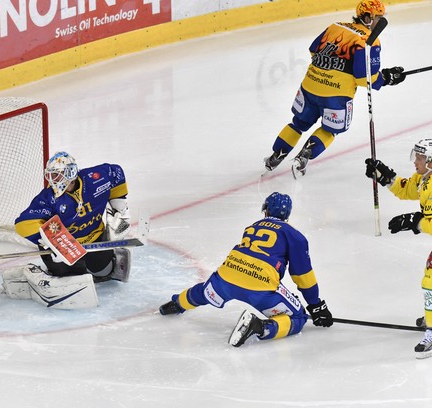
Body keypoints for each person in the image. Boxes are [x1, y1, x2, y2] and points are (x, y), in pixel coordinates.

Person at [159, 192, 333, 348]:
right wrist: (316, 306)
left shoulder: (253, 226)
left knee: (203, 292)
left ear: (266, 210)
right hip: (260, 287)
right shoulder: (295, 235)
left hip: (226, 278)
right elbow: (302, 274)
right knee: (298, 318)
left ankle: (175, 305)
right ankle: (261, 327)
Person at [264, 0, 406, 178]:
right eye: (379, 17)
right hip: (336, 95)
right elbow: (364, 78)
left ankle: (276, 155)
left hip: (309, 86)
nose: (382, 21)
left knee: (298, 123)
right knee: (330, 130)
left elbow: (314, 51)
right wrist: (386, 78)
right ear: (368, 18)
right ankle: (304, 156)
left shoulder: (335, 26)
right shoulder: (368, 41)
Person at [1, 151, 132, 309]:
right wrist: (53, 242)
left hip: (93, 239)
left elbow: (115, 172)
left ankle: (102, 261)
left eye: (56, 175)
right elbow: (23, 224)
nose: (52, 181)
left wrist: (120, 209)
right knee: (74, 279)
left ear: (70, 172)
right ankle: (31, 274)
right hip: (63, 249)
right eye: (50, 176)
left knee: (104, 271)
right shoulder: (48, 198)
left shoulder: (94, 179)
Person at [365, 138, 432, 359]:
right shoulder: (425, 178)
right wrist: (385, 177)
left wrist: (415, 222)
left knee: (430, 280)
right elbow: (406, 189)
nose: (416, 161)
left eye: (420, 158)